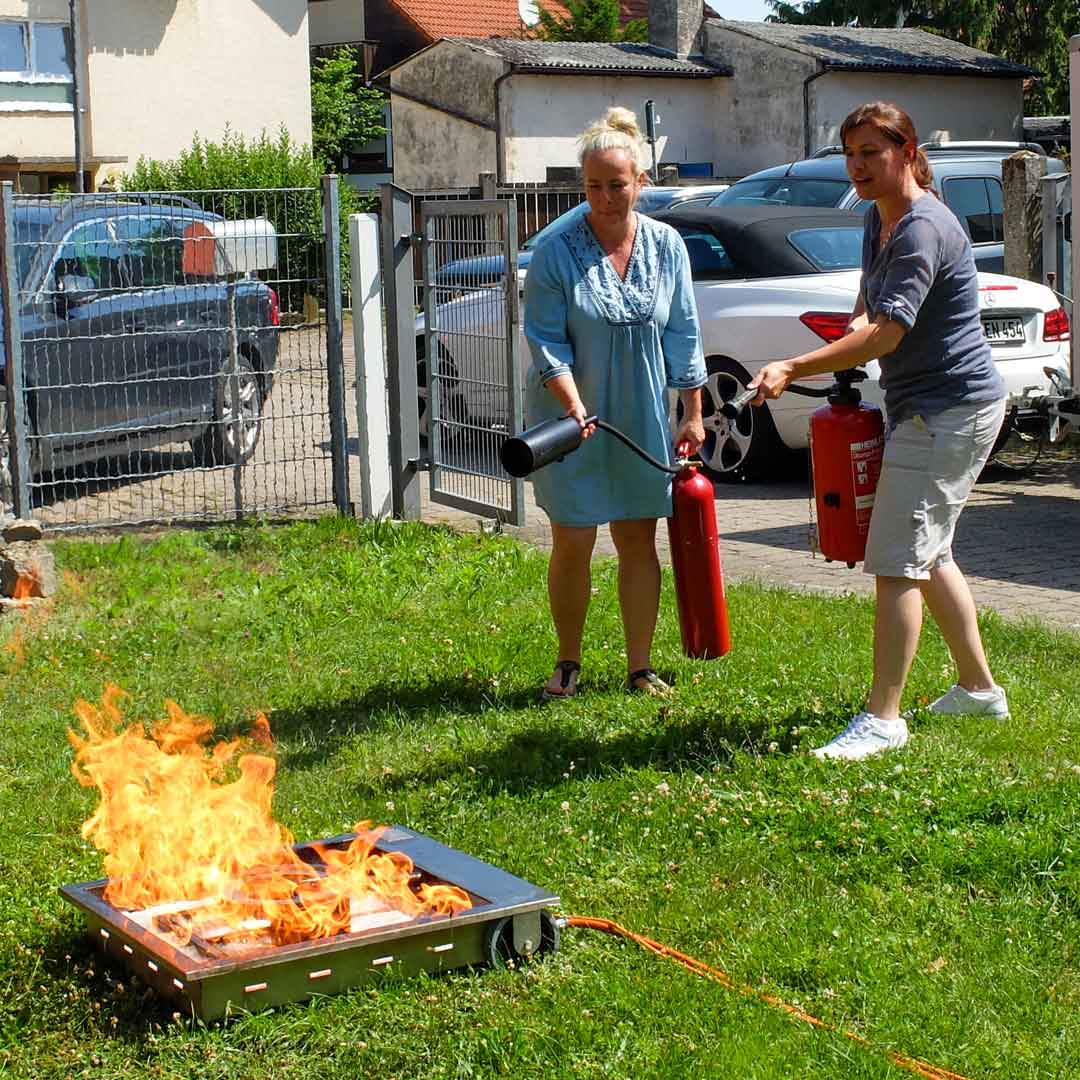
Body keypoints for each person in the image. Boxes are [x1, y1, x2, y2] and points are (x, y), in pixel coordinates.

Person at [748, 101, 1009, 760]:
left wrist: (795, 365)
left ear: (907, 152)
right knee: (930, 554)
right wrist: (845, 349)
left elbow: (887, 332)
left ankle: (883, 720)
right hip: (927, 407)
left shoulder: (923, 228)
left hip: (948, 412)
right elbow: (869, 309)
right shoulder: (878, 217)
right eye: (850, 153)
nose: (857, 166)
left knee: (897, 561)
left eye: (871, 151)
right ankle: (979, 690)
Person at [522, 106, 707, 701]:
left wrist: (693, 411)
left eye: (617, 185)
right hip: (568, 417)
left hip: (640, 416)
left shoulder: (667, 245)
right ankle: (568, 662)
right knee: (573, 540)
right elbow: (545, 338)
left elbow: (684, 331)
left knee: (637, 539)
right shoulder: (554, 250)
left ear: (640, 183)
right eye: (594, 185)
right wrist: (573, 405)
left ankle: (640, 667)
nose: (604, 198)